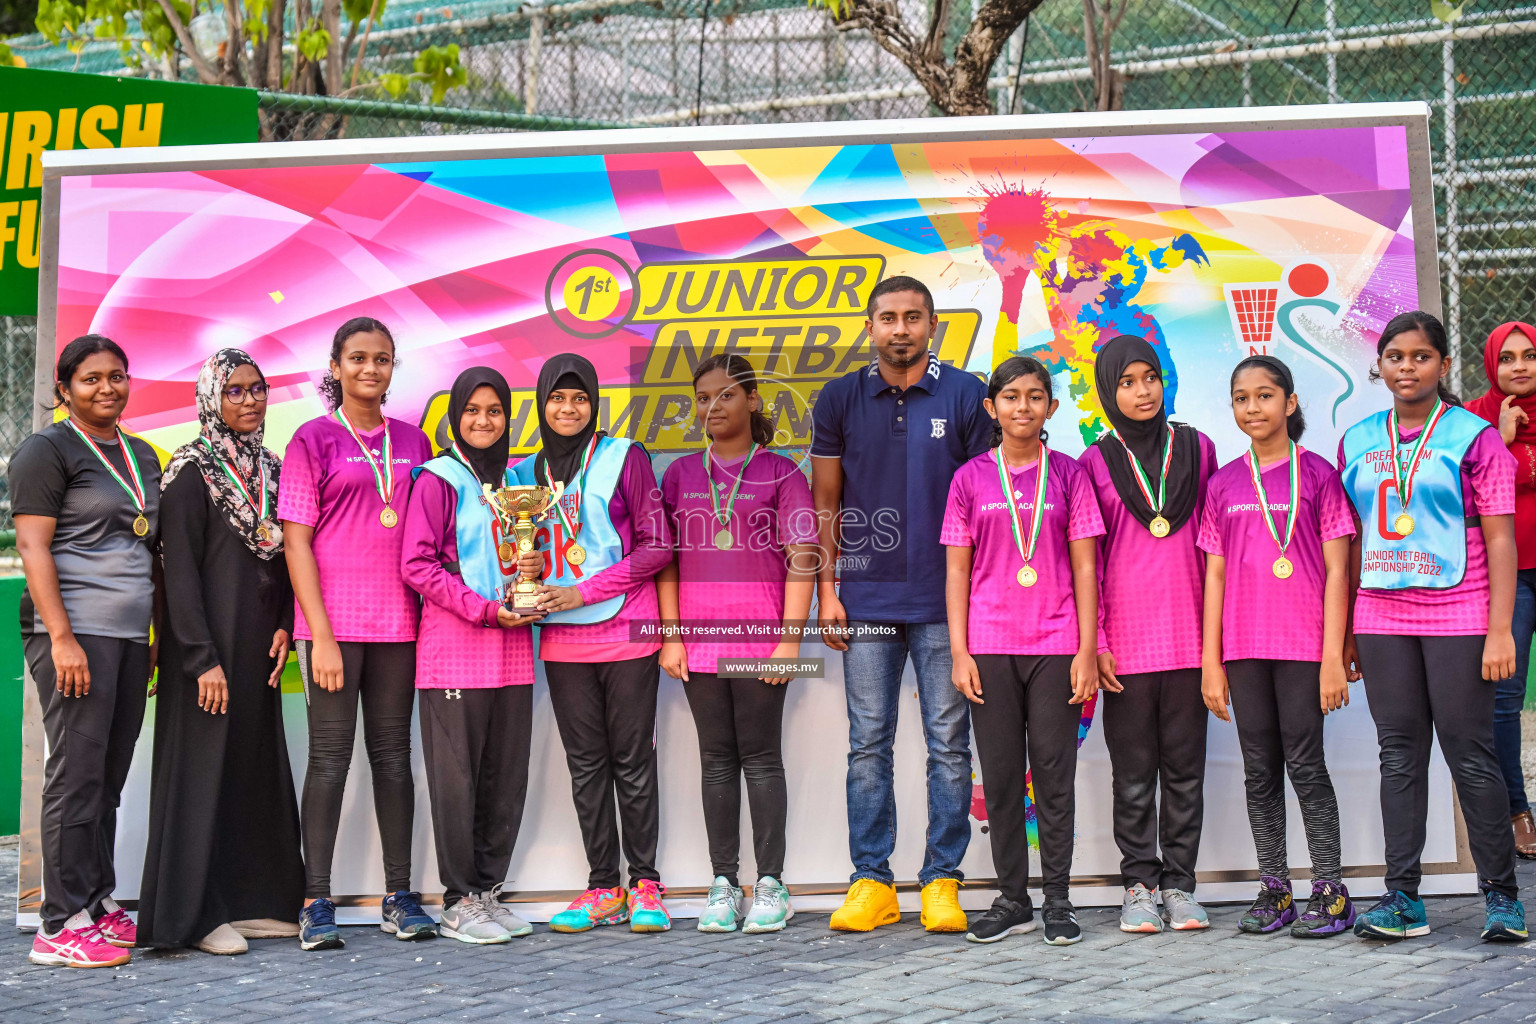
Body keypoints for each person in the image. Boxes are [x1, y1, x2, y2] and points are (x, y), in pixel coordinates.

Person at [1340, 310, 1528, 943]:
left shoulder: (1475, 440)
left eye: (1421, 357)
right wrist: (1344, 634)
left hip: (1462, 612)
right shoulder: (1357, 438)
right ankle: (1402, 899)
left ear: (1444, 366)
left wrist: (1499, 628)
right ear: (1381, 366)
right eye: (1395, 356)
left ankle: (1502, 898)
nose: (1407, 367)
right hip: (1381, 616)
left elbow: (1501, 540)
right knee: (1399, 756)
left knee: (1470, 755)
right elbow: (1352, 541)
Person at [812, 274, 991, 934]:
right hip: (866, 600)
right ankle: (872, 883)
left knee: (949, 746)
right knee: (869, 746)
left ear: (932, 324)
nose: (901, 329)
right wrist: (829, 592)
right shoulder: (840, 398)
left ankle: (942, 880)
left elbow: (983, 504)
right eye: (888, 317)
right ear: (870, 327)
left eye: (913, 317)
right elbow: (825, 504)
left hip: (946, 603)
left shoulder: (967, 394)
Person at [138, 350, 303, 956]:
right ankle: (195, 914)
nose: (249, 400)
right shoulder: (188, 471)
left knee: (252, 768)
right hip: (205, 653)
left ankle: (254, 900)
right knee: (202, 772)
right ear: (211, 397)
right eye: (234, 390)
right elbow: (177, 572)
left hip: (258, 647)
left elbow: (288, 557)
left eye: (257, 389)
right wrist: (199, 656)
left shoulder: (274, 468)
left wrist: (286, 621)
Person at [278, 317, 435, 950]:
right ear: (337, 366)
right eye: (359, 359)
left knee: (394, 759)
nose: (371, 370)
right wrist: (322, 634)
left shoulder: (416, 441)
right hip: (333, 631)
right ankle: (316, 900)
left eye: (382, 360)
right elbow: (296, 541)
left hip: (400, 625)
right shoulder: (311, 440)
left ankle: (400, 895)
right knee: (329, 760)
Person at [510, 353, 675, 933]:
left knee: (633, 761)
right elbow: (514, 556)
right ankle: (602, 886)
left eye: (579, 397)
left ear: (594, 402)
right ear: (542, 403)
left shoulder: (624, 457)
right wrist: (522, 566)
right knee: (586, 767)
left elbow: (657, 547)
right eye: (557, 397)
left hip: (628, 631)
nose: (568, 408)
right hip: (561, 640)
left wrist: (584, 590)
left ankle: (647, 884)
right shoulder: (522, 473)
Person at [944, 356, 1102, 946]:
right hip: (988, 647)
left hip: (1057, 645)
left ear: (1051, 409)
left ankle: (1058, 899)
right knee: (1004, 777)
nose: (1023, 407)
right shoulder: (969, 480)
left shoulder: (1069, 475)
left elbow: (1087, 567)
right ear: (992, 408)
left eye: (1035, 397)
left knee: (1054, 776)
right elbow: (957, 573)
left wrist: (1087, 649)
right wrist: (960, 652)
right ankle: (1013, 897)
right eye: (1010, 397)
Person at [13, 335, 161, 968]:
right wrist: (64, 638)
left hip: (128, 639)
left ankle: (97, 904)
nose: (107, 388)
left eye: (118, 376)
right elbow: (34, 548)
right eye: (92, 378)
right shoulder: (47, 450)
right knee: (75, 775)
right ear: (63, 389)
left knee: (107, 780)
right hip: (73, 634)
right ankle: (58, 921)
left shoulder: (145, 455)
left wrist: (151, 638)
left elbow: (149, 551)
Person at [658, 354, 817, 935]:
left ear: (752, 400)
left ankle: (772, 883)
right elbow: (665, 564)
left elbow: (803, 562)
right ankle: (724, 883)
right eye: (702, 398)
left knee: (761, 757)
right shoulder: (678, 475)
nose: (712, 407)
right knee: (716, 761)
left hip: (760, 641)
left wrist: (789, 643)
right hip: (697, 644)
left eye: (725, 395)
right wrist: (671, 637)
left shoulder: (781, 473)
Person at [1198, 355, 1356, 938]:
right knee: (1259, 769)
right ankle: (1274, 887)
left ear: (1289, 403)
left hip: (1302, 646)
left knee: (1306, 766)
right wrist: (1211, 662)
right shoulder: (1223, 483)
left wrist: (1333, 655)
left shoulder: (1317, 474)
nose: (1253, 408)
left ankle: (1331, 890)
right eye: (1241, 398)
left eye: (1265, 396)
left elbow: (1339, 572)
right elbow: (1213, 576)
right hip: (1242, 648)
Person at [1079, 333, 1218, 934]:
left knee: (1186, 770)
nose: (1142, 391)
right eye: (1127, 382)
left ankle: (1181, 886)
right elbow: (1088, 561)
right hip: (1126, 646)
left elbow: (1217, 548)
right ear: (1109, 392)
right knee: (1133, 773)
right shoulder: (1093, 462)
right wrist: (1100, 641)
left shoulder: (1199, 448)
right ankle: (1139, 885)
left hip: (1191, 640)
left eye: (1151, 378)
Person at [402, 367, 542, 944]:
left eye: (495, 411)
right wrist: (482, 609)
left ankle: (488, 891)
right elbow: (416, 565)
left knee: (504, 778)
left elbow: (520, 553)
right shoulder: (437, 479)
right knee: (457, 781)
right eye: (473, 411)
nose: (484, 421)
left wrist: (533, 571)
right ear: (455, 418)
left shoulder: (515, 482)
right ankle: (458, 899)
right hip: (455, 652)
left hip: (513, 650)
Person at [1466, 321, 1536, 860]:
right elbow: (1467, 499)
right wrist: (1502, 442)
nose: (1519, 366)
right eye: (1508, 357)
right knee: (1504, 700)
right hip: (1510, 577)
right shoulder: (1471, 421)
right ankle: (1518, 813)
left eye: (1529, 356)